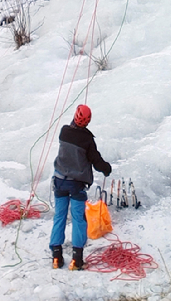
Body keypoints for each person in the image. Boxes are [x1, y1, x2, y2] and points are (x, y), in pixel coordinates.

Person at [50, 104, 111, 271]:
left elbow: (72, 132)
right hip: (77, 185)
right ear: (88, 121)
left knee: (60, 216)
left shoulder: (64, 132)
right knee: (78, 219)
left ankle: (56, 256)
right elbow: (96, 161)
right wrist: (106, 168)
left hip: (59, 181)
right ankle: (76, 259)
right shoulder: (87, 140)